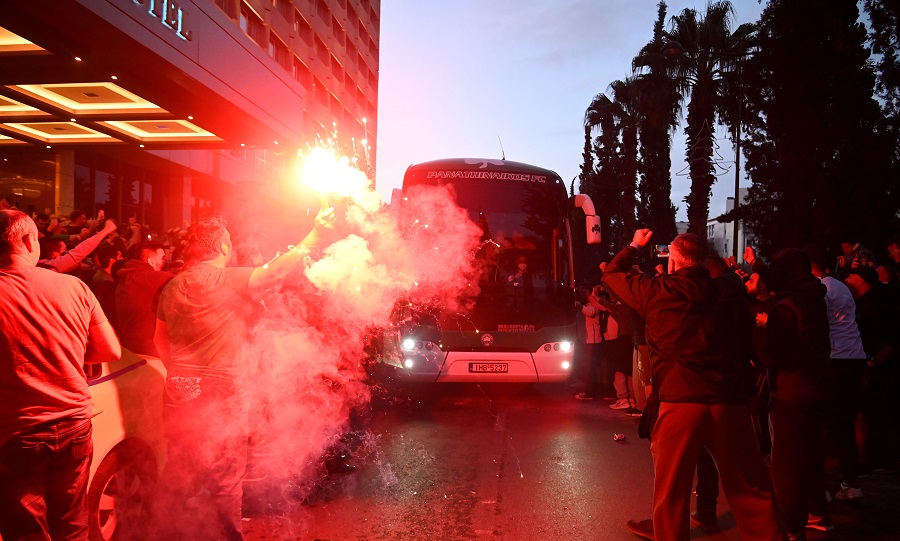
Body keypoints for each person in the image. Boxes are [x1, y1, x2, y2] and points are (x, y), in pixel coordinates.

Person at [152, 209, 333, 540]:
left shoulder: (172, 286)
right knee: (224, 478)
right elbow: (275, 273)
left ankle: (167, 533)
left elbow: (158, 340)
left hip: (180, 389)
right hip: (220, 390)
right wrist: (316, 234)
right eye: (230, 243)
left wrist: (180, 374)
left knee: (180, 468)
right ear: (222, 247)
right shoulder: (229, 278)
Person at [601, 229, 783, 541]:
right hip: (728, 400)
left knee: (671, 493)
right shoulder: (729, 291)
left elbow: (612, 275)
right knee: (750, 488)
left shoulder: (656, 291)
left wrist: (635, 246)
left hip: (679, 401)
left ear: (673, 261)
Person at [0, 209, 122, 540]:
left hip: (17, 434)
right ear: (26, 241)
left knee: (26, 531)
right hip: (74, 427)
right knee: (72, 524)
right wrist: (65, 356)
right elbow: (111, 350)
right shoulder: (75, 287)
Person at [764, 249, 832, 539]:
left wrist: (761, 332)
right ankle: (817, 512)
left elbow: (772, 354)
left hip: (792, 391)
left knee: (788, 464)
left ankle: (792, 526)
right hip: (817, 387)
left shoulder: (787, 307)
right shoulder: (814, 299)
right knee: (811, 456)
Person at [115, 241, 174, 356]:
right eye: (162, 258)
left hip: (130, 350)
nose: (164, 262)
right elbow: (188, 281)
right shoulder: (151, 278)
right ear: (151, 261)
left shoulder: (126, 279)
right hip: (150, 353)